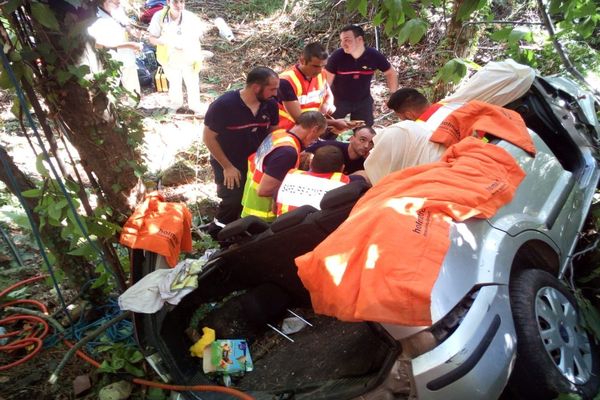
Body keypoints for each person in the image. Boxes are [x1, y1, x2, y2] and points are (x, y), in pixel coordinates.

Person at [203, 67, 280, 238]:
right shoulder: (224, 106)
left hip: (256, 163)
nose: (275, 93)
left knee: (251, 199)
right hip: (229, 162)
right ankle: (219, 234)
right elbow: (209, 138)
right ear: (256, 88)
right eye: (272, 89)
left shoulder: (271, 105)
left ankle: (243, 234)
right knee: (232, 200)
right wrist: (227, 167)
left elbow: (273, 134)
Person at [241, 111, 327, 222]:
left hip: (251, 202)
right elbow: (264, 190)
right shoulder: (287, 152)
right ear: (314, 129)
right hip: (264, 215)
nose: (315, 141)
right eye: (317, 136)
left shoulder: (279, 134)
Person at [325, 24, 398, 127]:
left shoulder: (373, 55)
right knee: (328, 131)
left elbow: (390, 72)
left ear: (359, 39)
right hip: (338, 100)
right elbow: (326, 83)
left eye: (347, 40)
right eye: (341, 40)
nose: (343, 44)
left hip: (363, 100)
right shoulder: (337, 57)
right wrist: (325, 102)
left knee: (365, 132)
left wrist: (393, 94)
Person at [277, 43, 349, 133]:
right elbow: (301, 120)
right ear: (302, 60)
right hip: (288, 132)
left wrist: (328, 104)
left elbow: (328, 93)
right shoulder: (286, 81)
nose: (319, 70)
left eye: (323, 66)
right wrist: (334, 123)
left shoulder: (321, 74)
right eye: (315, 66)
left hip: (311, 131)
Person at [148, 0, 203, 113]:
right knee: (174, 82)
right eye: (176, 2)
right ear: (168, 2)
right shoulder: (159, 16)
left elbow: (198, 35)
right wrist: (165, 42)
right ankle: (176, 106)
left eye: (182, 2)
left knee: (192, 82)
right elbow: (152, 38)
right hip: (169, 58)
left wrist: (186, 43)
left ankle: (195, 107)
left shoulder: (191, 17)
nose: (179, 5)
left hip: (189, 56)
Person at [276, 145, 350, 216]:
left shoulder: (292, 174)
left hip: (280, 224)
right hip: (313, 227)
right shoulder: (342, 181)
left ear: (310, 163)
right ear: (342, 168)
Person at [88, 0, 142, 95]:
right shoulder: (95, 17)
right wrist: (129, 45)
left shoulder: (117, 10)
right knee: (111, 90)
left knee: (133, 88)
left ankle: (135, 106)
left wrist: (132, 31)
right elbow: (98, 44)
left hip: (128, 56)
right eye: (116, 2)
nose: (119, 4)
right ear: (106, 1)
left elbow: (125, 23)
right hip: (111, 61)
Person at [304, 126, 376, 174]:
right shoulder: (328, 147)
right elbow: (304, 155)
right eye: (362, 140)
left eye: (371, 143)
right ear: (351, 139)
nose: (366, 146)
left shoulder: (366, 163)